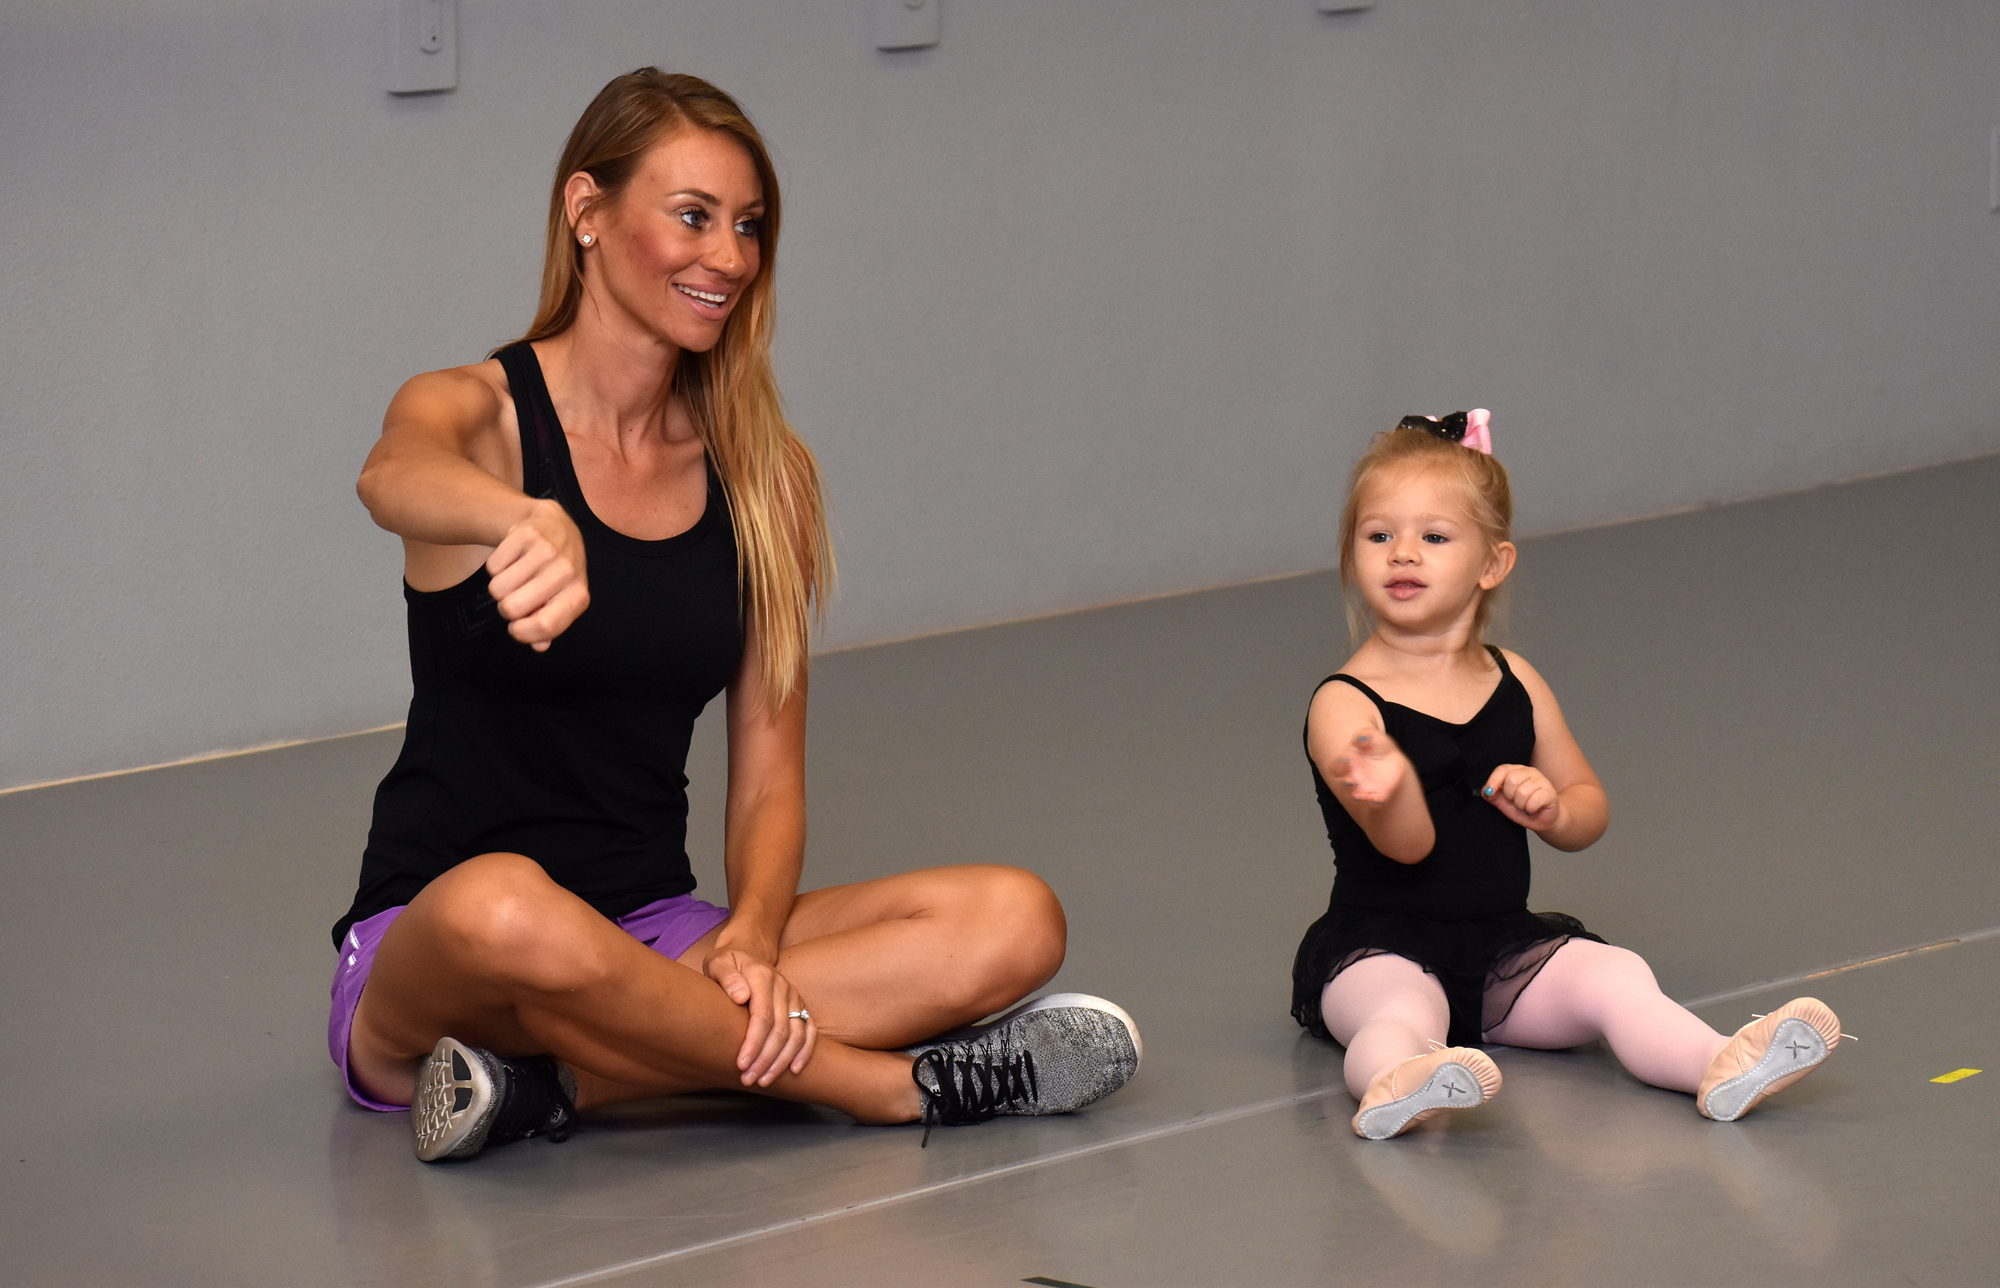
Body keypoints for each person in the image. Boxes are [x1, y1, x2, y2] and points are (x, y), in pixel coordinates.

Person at [331, 68, 1140, 1163]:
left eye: (748, 226)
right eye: (692, 216)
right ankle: (886, 1087)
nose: (728, 256)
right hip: (441, 948)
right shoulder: (476, 413)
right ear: (586, 213)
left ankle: (550, 1086)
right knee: (503, 905)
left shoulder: (764, 479)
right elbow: (391, 473)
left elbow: (765, 776)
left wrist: (750, 936)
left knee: (1012, 916)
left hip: (656, 934)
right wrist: (523, 520)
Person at [1290, 410, 1840, 1140]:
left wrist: (1551, 810)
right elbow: (1406, 849)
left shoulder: (1516, 679)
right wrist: (1389, 790)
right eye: (1379, 535)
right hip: (1376, 948)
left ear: (1492, 564)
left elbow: (1589, 812)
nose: (1403, 555)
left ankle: (1721, 1063)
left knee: (1618, 977)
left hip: (1502, 952)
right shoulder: (1344, 702)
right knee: (1400, 1013)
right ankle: (1397, 1084)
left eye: (1434, 536)